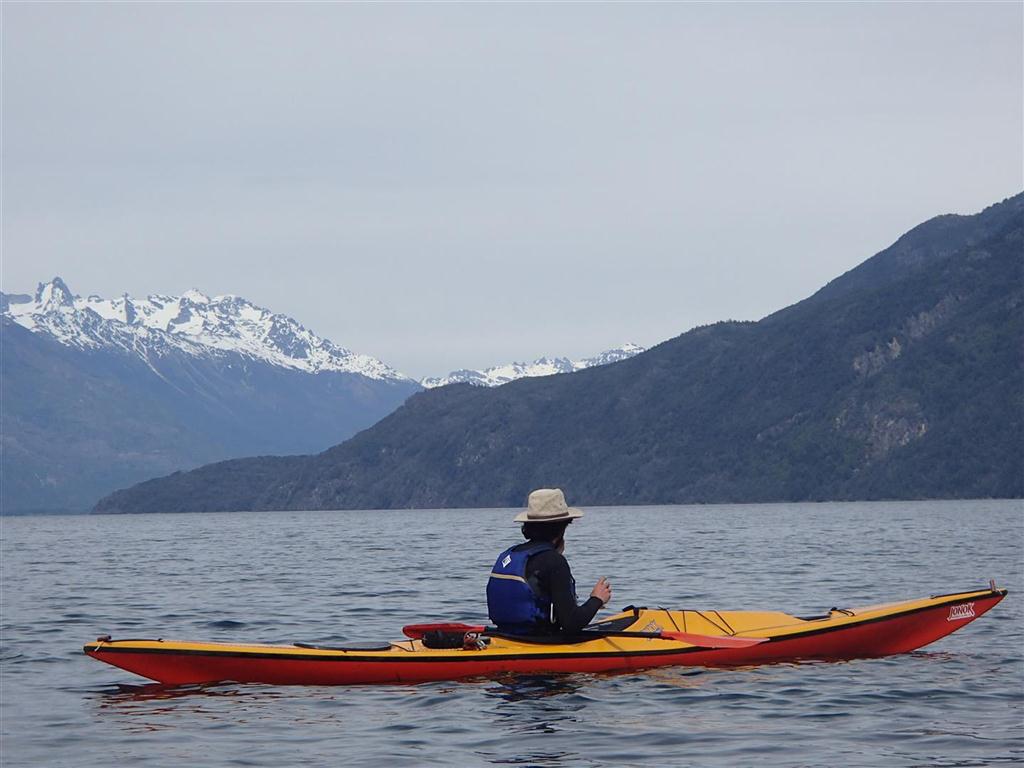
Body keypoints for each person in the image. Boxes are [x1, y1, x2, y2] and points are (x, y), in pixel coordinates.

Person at [486, 488, 612, 636]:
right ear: (561, 529)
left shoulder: (511, 554)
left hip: (504, 636)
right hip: (538, 640)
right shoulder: (554, 562)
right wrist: (597, 599)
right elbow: (571, 623)